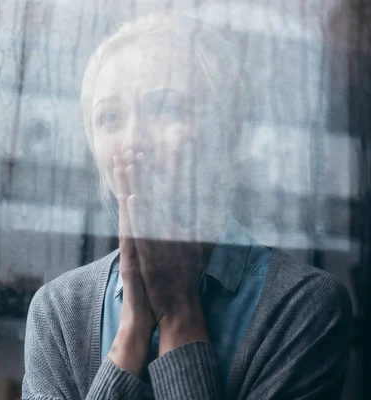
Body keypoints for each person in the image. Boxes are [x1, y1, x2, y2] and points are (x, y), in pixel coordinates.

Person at [22, 12, 353, 400]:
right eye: (109, 117)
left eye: (165, 107)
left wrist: (180, 316)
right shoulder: (60, 310)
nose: (133, 140)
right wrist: (129, 336)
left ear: (226, 131)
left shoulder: (302, 306)